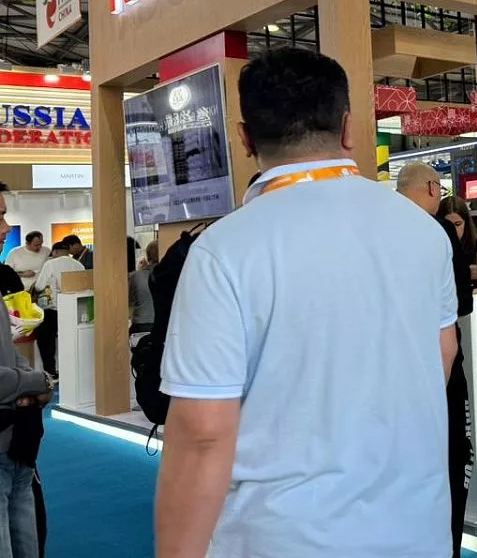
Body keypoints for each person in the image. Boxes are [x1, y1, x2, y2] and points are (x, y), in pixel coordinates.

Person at [156, 47, 459, 557]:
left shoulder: (223, 249)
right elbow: (442, 353)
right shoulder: (423, 231)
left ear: (245, 138)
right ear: (348, 128)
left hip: (281, 537)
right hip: (416, 528)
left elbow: (203, 432)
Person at [400, 166, 473, 558]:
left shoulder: (378, 229)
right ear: (431, 187)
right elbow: (460, 303)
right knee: (453, 459)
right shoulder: (437, 231)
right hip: (438, 374)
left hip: (394, 374)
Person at [0, 183, 54, 558]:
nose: (6, 227)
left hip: (17, 439)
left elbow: (10, 355)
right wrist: (37, 381)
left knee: (27, 529)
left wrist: (34, 384)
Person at [31, 242, 84, 378]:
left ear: (55, 251)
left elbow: (39, 286)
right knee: (70, 340)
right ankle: (71, 370)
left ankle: (51, 371)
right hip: (73, 309)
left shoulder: (50, 264)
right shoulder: (78, 265)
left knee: (46, 341)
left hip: (52, 309)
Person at [128, 240, 159, 346]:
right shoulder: (170, 275)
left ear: (148, 256)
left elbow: (130, 301)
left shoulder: (136, 276)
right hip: (162, 324)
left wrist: (141, 270)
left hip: (140, 325)